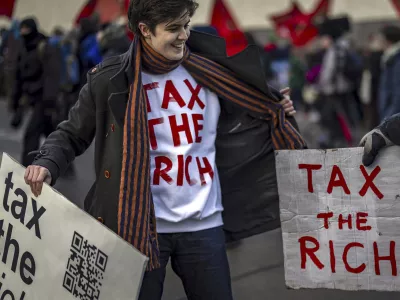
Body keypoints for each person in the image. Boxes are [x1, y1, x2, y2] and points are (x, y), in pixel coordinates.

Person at [24, 0, 306, 299]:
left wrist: (277, 106)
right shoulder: (110, 79)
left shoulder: (213, 71)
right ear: (144, 30)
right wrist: (48, 162)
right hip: (135, 227)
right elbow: (71, 133)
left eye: (186, 25)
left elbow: (253, 109)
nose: (184, 35)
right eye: (173, 28)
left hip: (204, 225)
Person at [11, 17, 62, 167]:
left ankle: (25, 168)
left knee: (31, 134)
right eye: (22, 28)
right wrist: (15, 102)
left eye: (26, 29)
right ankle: (66, 164)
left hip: (43, 98)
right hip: (31, 97)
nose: (23, 32)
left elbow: (52, 76)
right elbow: (18, 77)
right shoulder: (24, 47)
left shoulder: (44, 47)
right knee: (51, 133)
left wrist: (49, 101)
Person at [378, 25, 400, 122]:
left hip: (392, 114)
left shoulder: (396, 59)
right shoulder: (389, 57)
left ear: (387, 40)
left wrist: (388, 119)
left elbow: (397, 92)